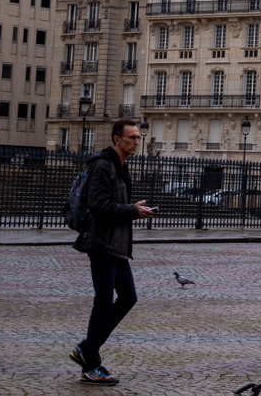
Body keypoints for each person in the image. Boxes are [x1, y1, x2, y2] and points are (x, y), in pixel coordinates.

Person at [70, 119, 155, 386]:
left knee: (128, 297)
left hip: (116, 244)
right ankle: (91, 365)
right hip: (102, 243)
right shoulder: (103, 166)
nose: (137, 142)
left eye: (138, 137)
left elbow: (112, 204)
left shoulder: (119, 168)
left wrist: (132, 207)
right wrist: (132, 211)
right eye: (132, 137)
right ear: (117, 139)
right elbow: (98, 206)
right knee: (104, 302)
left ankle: (86, 348)